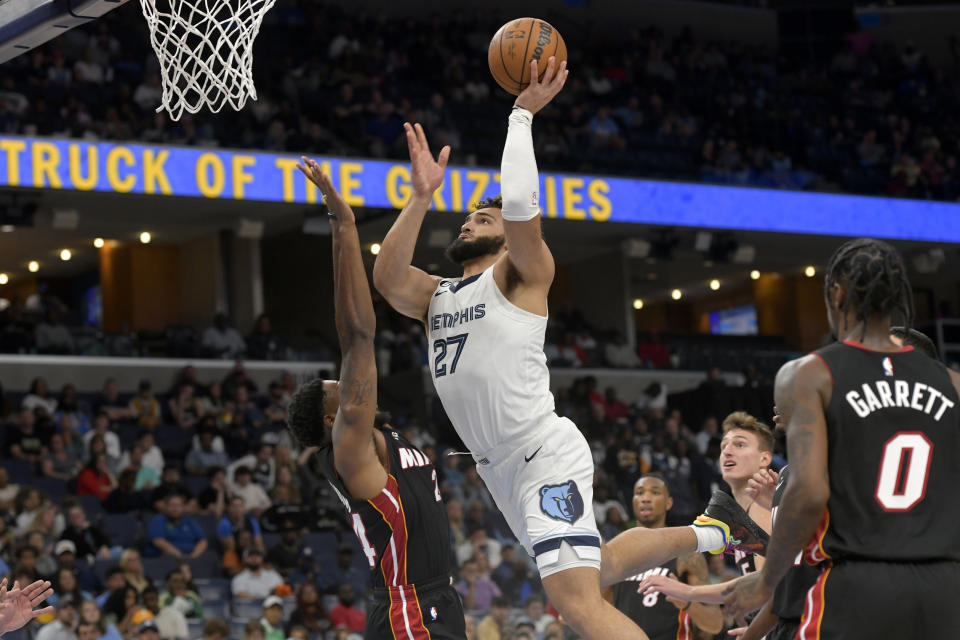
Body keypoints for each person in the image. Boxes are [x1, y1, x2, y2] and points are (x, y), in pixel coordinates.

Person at [373, 57, 742, 640]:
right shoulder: (438, 294)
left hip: (539, 450)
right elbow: (388, 280)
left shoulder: (521, 274)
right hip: (498, 469)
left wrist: (521, 117)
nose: (471, 219)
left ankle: (716, 531)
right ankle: (717, 529)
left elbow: (522, 211)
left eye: (483, 215)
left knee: (574, 602)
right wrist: (419, 199)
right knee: (601, 568)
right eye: (468, 215)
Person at [723, 238, 960, 638]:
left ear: (836, 293)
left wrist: (766, 582)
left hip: (858, 584)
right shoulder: (953, 384)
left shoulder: (810, 373)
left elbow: (810, 491)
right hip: (945, 587)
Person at [286, 157, 465, 639]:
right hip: (408, 607)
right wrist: (343, 224)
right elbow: (358, 337)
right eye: (337, 391)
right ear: (331, 419)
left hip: (436, 599)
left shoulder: (377, 439)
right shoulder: (348, 448)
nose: (348, 388)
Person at [605, 475, 723, 639]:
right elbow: (598, 610)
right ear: (632, 501)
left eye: (654, 492)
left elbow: (715, 624)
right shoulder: (615, 554)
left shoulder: (686, 555)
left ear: (669, 503)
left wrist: (687, 602)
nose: (645, 499)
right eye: (639, 493)